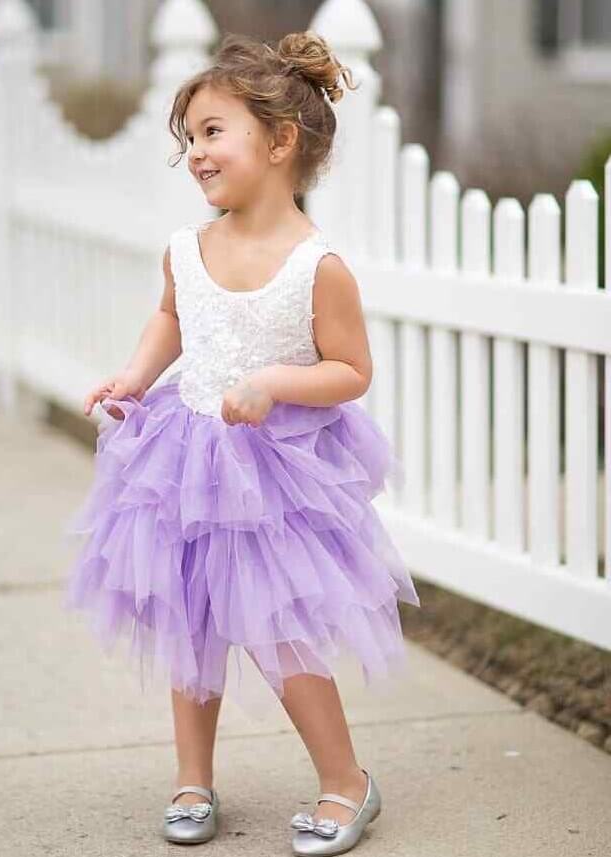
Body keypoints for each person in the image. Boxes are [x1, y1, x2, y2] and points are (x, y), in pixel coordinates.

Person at [63, 29, 421, 857]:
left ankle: (344, 780)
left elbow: (350, 370)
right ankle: (193, 775)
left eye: (212, 131)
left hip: (272, 479)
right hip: (181, 460)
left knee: (277, 629)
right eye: (188, 137)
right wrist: (130, 378)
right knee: (189, 621)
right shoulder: (188, 249)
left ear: (280, 140)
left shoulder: (315, 265)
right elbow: (172, 319)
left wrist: (275, 384)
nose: (194, 152)